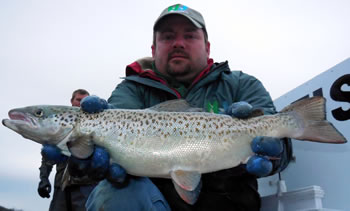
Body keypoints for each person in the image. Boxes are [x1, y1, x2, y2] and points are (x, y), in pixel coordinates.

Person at [43, 4, 293, 211]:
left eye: (189, 35)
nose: (178, 43)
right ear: (154, 50)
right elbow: (106, 145)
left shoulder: (241, 84)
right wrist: (82, 163)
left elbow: (276, 136)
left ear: (207, 47)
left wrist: (276, 152)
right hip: (151, 200)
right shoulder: (131, 90)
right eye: (168, 37)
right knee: (114, 193)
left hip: (231, 201)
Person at [38, 89, 98, 211]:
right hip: (61, 186)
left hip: (86, 186)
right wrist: (43, 179)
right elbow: (47, 158)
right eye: (78, 100)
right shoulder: (59, 124)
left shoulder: (96, 124)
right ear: (71, 101)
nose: (81, 103)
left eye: (85, 101)